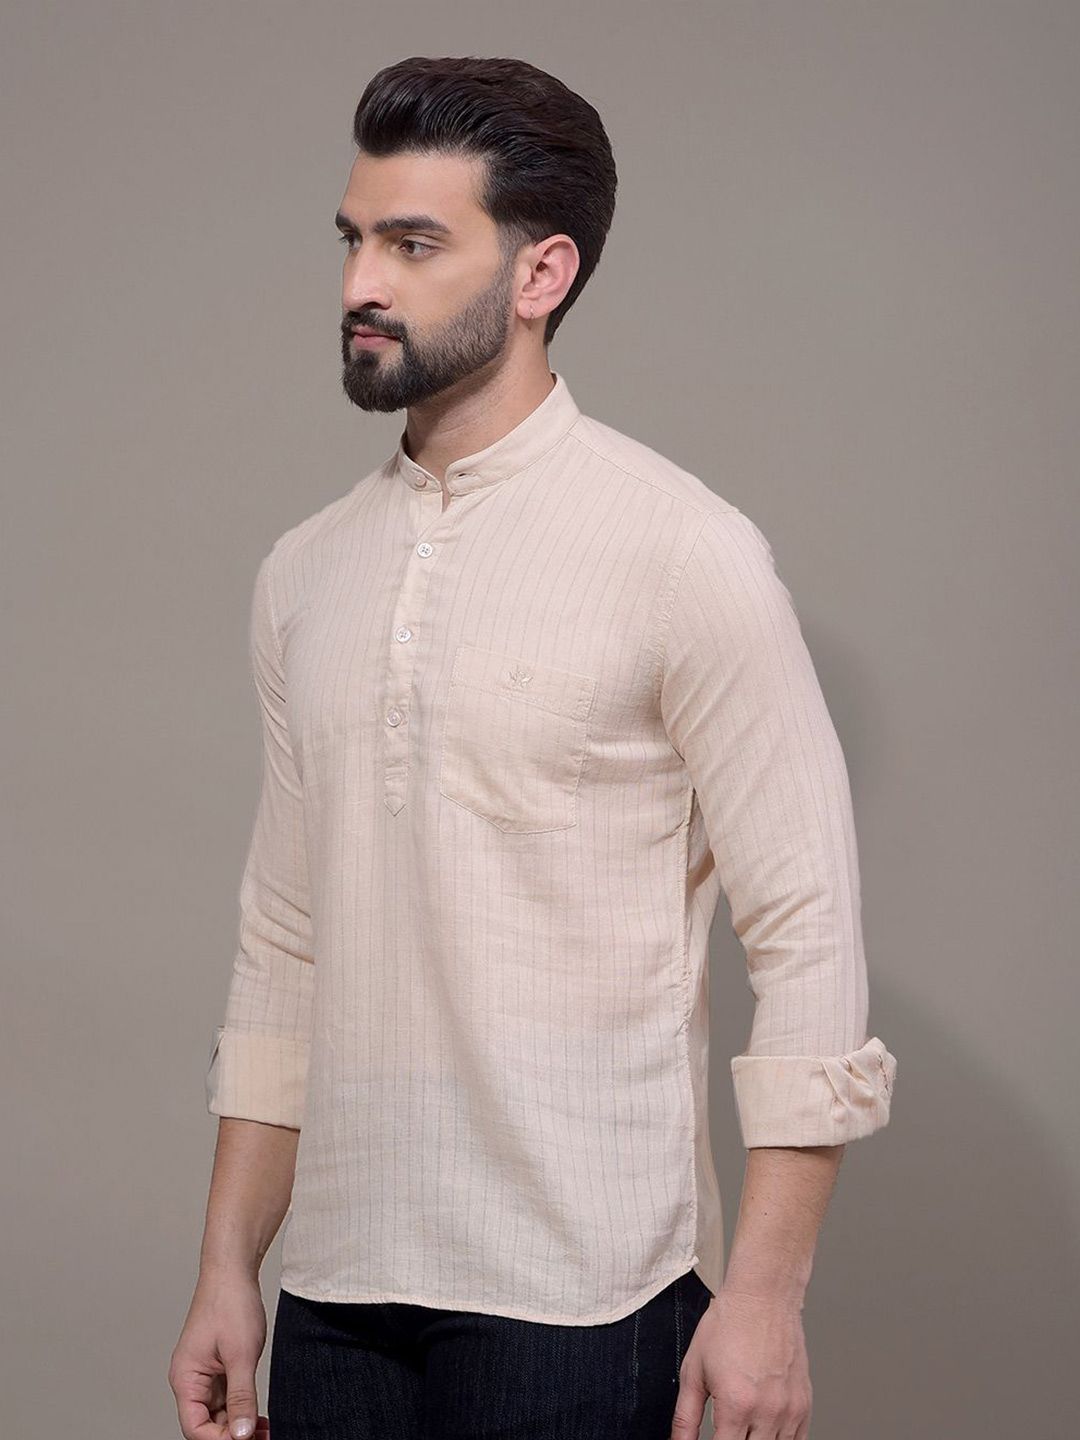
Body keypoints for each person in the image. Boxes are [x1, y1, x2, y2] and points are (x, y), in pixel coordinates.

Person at [169, 54, 896, 1440]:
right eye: (352, 239)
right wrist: (227, 1267)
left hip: (585, 1293)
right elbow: (284, 940)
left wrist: (766, 1296)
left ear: (540, 273)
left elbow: (807, 935)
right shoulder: (304, 573)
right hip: (337, 1287)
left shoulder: (680, 550)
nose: (359, 283)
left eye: (413, 245)